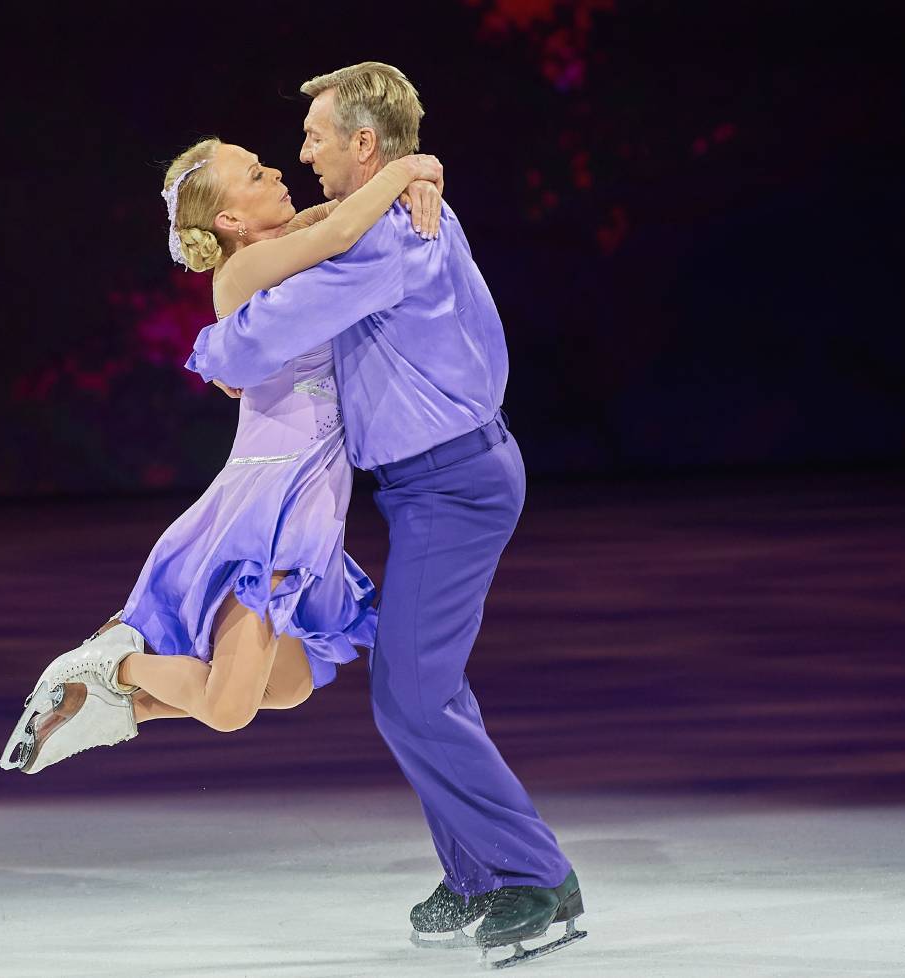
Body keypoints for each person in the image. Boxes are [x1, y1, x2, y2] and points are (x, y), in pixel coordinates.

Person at [185, 62, 586, 967]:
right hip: (425, 487)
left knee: (409, 692)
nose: (303, 153)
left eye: (316, 137)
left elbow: (252, 343)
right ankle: (481, 871)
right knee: (424, 686)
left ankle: (537, 880)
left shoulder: (392, 240)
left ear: (363, 143)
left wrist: (217, 343)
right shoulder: (381, 217)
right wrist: (415, 169)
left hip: (456, 486)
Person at [0, 138, 445, 774]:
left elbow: (343, 214)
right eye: (258, 175)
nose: (279, 173)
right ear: (230, 221)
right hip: (274, 500)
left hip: (308, 493)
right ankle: (108, 665)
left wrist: (417, 184)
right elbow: (346, 223)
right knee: (230, 707)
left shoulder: (291, 249)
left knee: (287, 685)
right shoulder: (242, 271)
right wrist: (411, 165)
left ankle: (119, 708)